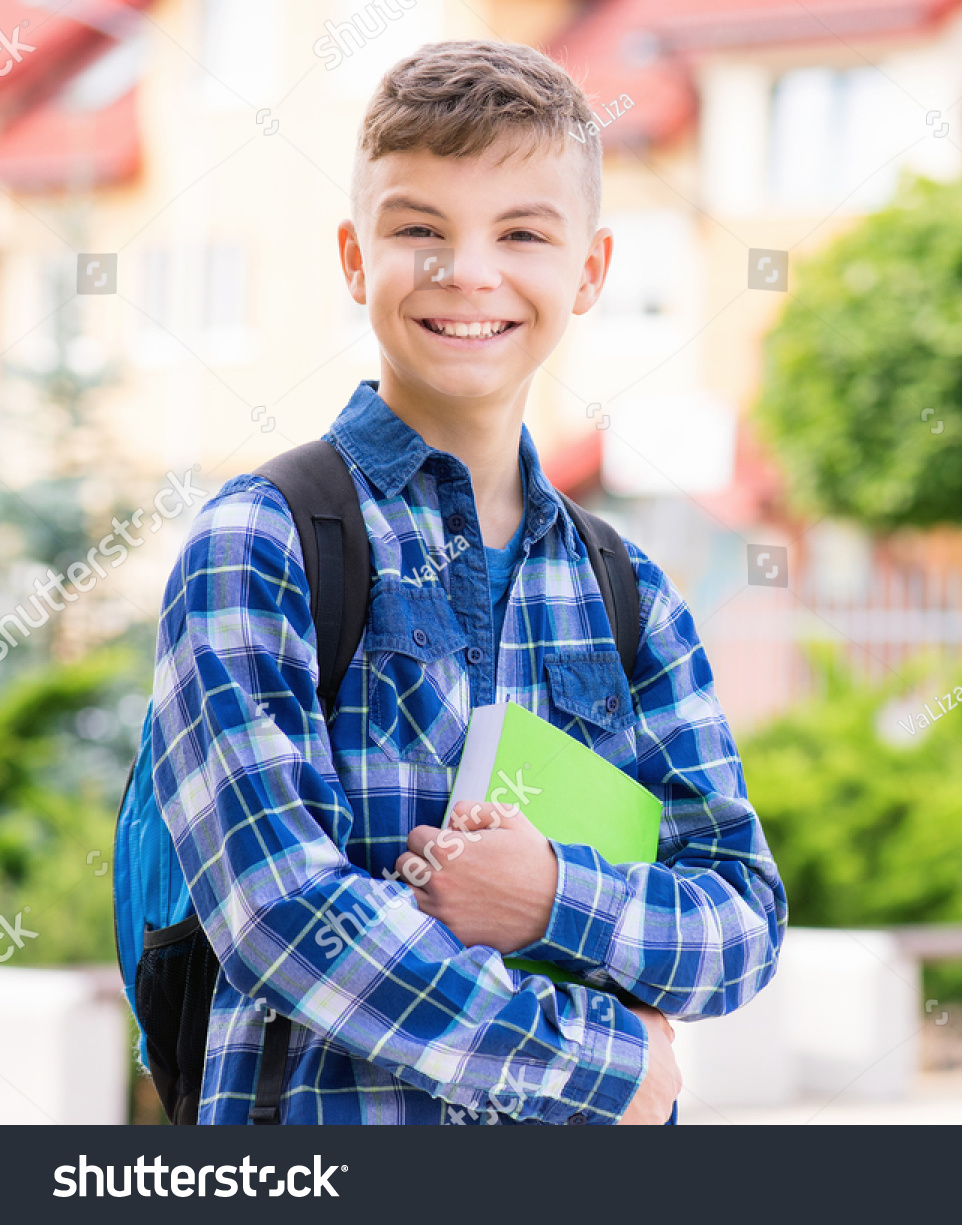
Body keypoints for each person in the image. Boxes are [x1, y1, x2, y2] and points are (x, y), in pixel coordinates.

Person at [149, 39, 786, 1125]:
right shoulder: (258, 545)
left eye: (523, 233)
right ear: (356, 258)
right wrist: (595, 1062)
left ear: (589, 271)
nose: (470, 272)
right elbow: (284, 916)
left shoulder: (631, 594)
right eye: (418, 230)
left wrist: (552, 899)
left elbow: (741, 919)